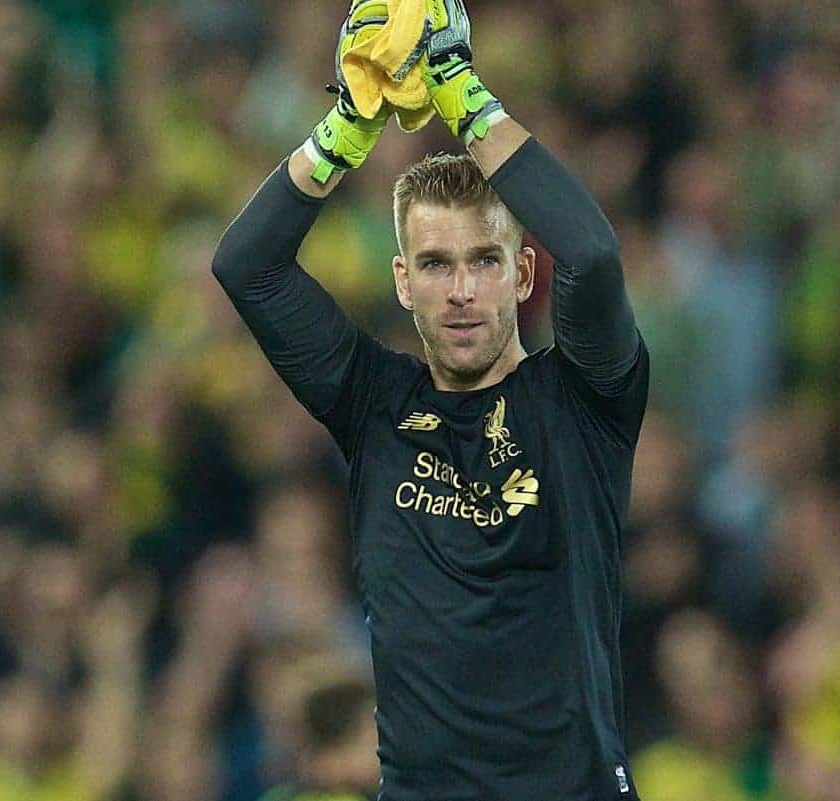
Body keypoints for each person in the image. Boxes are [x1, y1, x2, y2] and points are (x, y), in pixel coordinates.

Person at [211, 1, 649, 799]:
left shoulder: (584, 400)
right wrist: (348, 125)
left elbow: (588, 250)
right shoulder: (372, 400)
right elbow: (247, 267)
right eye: (436, 264)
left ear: (521, 275)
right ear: (403, 281)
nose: (460, 291)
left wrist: (457, 88)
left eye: (484, 260)